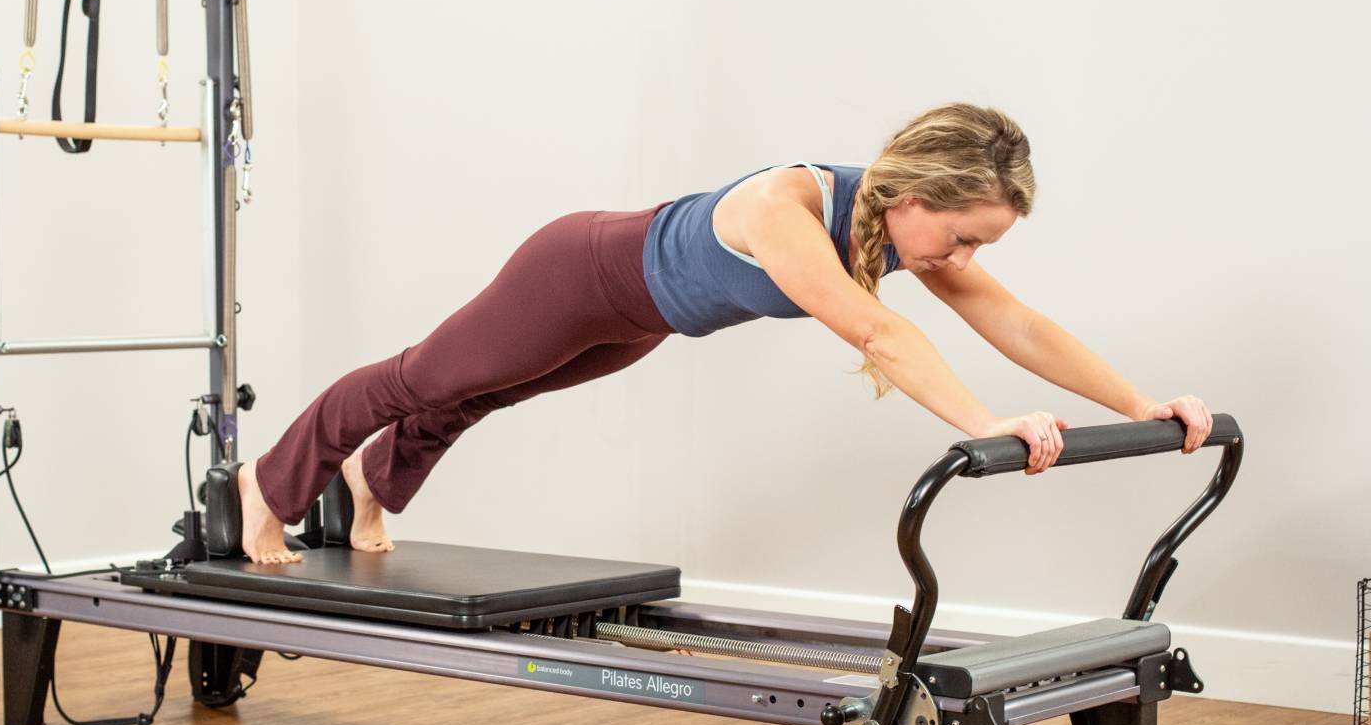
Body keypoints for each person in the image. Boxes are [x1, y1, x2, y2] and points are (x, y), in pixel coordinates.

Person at [236, 103, 1214, 564]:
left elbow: (1019, 321)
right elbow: (875, 332)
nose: (958, 258)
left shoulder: (906, 231)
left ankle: (371, 485)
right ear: (916, 199)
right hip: (573, 272)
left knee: (489, 390)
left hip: (639, 319)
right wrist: (983, 419)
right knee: (425, 376)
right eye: (959, 237)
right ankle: (267, 486)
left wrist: (1140, 404)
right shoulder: (789, 210)